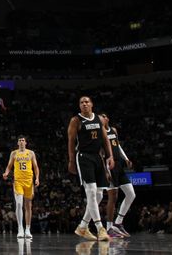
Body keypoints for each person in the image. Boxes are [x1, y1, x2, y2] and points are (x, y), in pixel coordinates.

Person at [67, 96, 114, 242]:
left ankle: (83, 226)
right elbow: (71, 141)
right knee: (91, 192)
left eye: (87, 102)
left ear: (92, 104)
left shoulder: (99, 119)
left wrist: (110, 156)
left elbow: (105, 139)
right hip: (84, 157)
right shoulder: (76, 120)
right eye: (81, 102)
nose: (84, 104)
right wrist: (71, 160)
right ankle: (100, 228)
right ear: (79, 106)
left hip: (98, 157)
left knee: (99, 195)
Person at [100, 113, 135, 238]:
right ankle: (109, 228)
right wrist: (105, 170)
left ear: (107, 119)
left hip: (119, 165)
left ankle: (118, 223)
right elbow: (100, 153)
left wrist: (126, 158)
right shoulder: (100, 133)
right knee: (112, 198)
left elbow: (118, 145)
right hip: (109, 165)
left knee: (131, 194)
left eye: (103, 117)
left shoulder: (113, 130)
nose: (101, 119)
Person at [2, 135, 40, 239]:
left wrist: (37, 178)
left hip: (29, 181)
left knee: (28, 206)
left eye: (23, 140)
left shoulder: (31, 153)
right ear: (18, 143)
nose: (22, 142)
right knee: (19, 204)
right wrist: (6, 173)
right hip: (18, 181)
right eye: (20, 140)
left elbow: (36, 167)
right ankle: (20, 229)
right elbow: (9, 166)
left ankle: (27, 229)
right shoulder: (14, 153)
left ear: (26, 143)